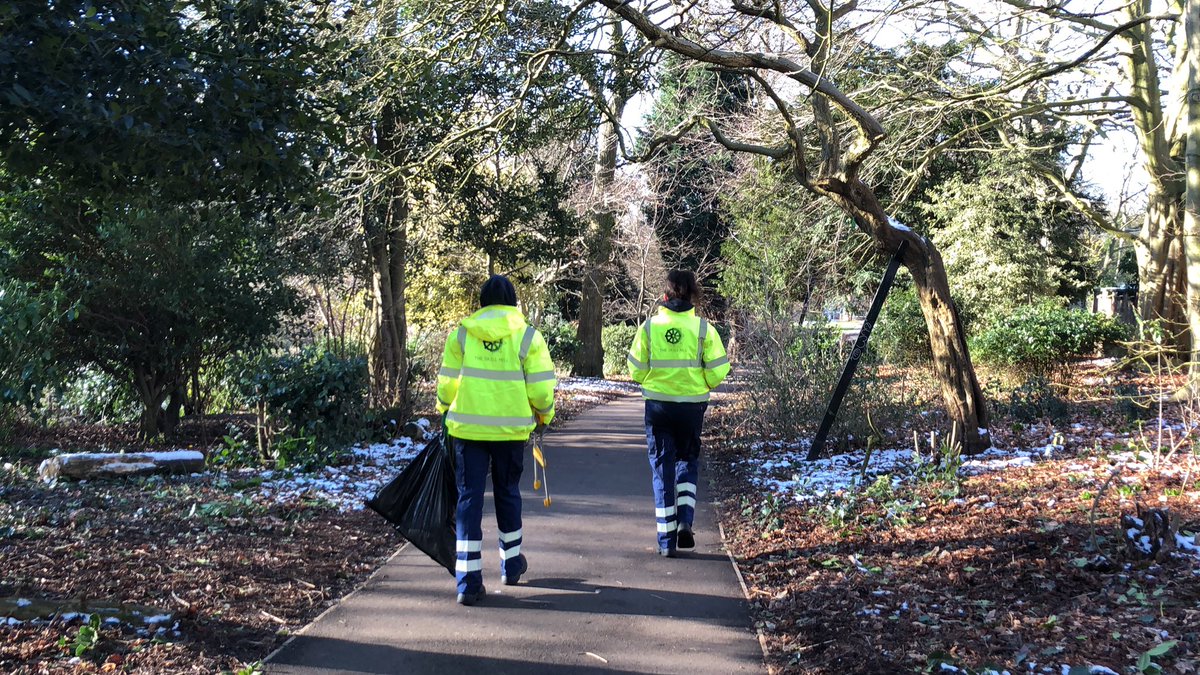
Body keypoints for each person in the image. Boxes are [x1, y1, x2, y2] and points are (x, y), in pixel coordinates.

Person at [436, 275, 557, 605]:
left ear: (481, 302)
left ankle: (468, 582)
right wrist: (544, 413)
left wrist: (444, 408)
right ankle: (511, 564)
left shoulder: (462, 333)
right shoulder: (528, 336)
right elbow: (542, 387)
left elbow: (447, 384)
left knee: (469, 499)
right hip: (509, 431)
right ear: (514, 302)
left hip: (467, 431)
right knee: (507, 493)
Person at [626, 270, 731, 557]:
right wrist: (702, 383)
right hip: (691, 408)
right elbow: (719, 370)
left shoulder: (649, 327)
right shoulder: (703, 329)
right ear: (692, 294)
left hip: (658, 407)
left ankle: (665, 542)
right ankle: (685, 519)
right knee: (687, 461)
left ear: (666, 294)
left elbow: (635, 369)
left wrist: (652, 379)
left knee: (662, 470)